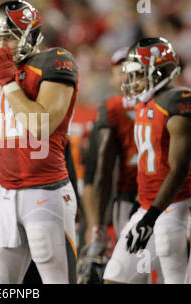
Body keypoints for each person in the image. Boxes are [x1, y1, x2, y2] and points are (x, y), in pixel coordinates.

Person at [0, 0, 79, 284]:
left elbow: (40, 125)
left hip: (46, 191)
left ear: (30, 35)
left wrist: (8, 80)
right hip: (5, 194)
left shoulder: (54, 61)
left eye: (8, 36)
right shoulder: (0, 70)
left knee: (57, 279)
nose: (0, 44)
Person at [103, 37, 191, 284]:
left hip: (176, 205)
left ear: (159, 72)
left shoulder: (180, 102)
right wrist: (142, 207)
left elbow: (178, 170)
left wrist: (151, 216)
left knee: (175, 278)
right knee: (115, 277)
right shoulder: (146, 104)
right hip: (148, 205)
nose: (131, 82)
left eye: (139, 74)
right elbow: (149, 164)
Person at [77, 47, 140, 283]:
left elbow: (97, 174)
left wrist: (96, 228)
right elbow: (94, 174)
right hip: (125, 204)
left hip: (144, 203)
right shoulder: (109, 109)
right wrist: (96, 226)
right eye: (120, 71)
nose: (127, 76)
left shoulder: (111, 108)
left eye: (131, 69)